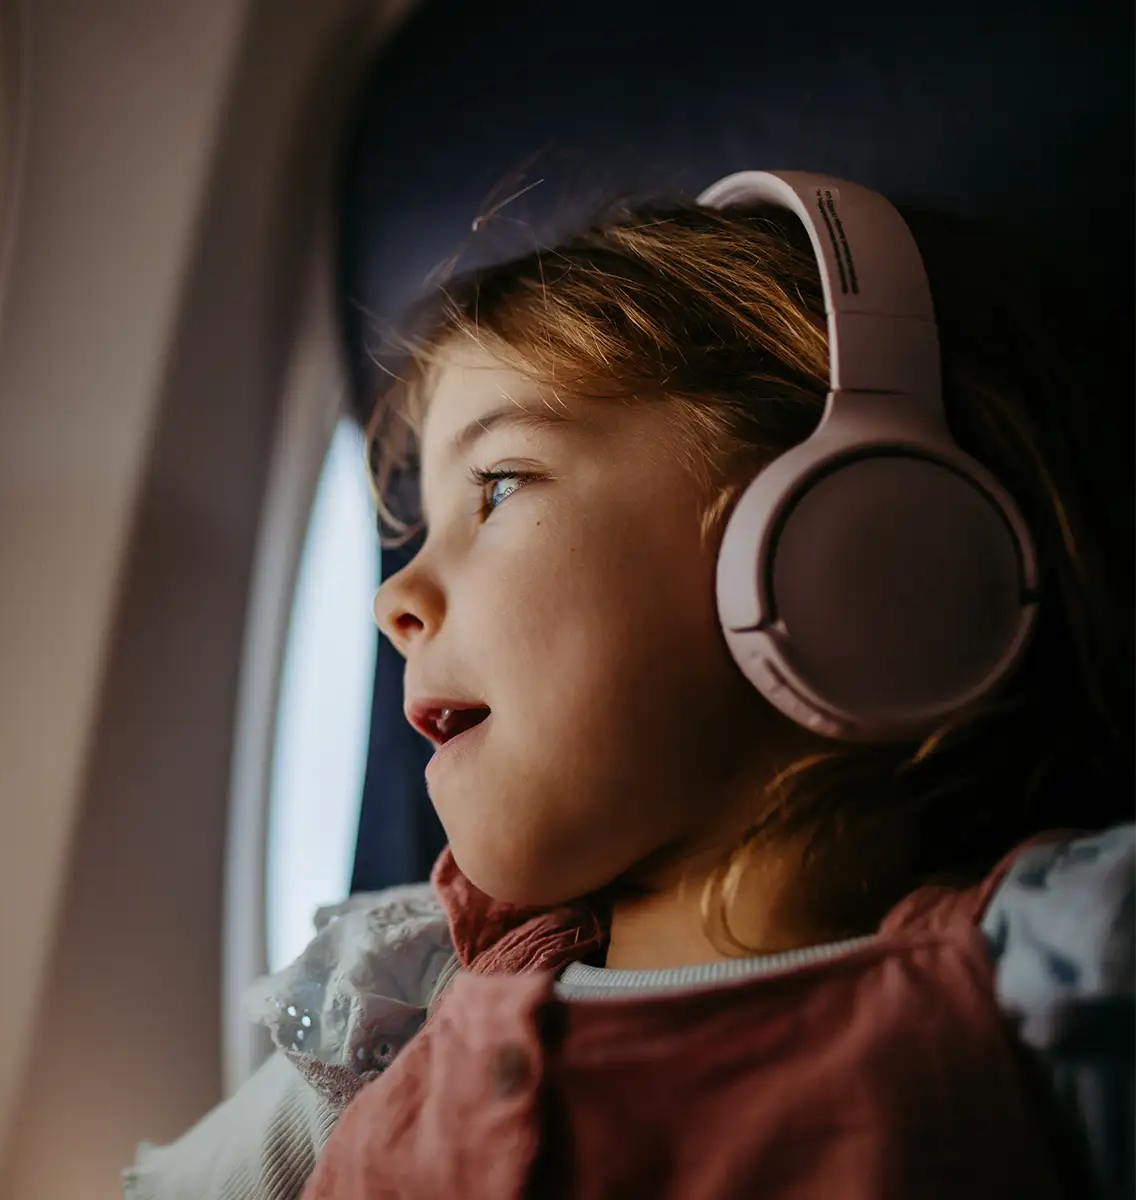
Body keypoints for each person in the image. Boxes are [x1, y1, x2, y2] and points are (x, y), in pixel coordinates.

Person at [124, 172, 1136, 1199]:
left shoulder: (1065, 988)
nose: (398, 597)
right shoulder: (394, 1014)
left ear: (853, 535)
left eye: (499, 485)